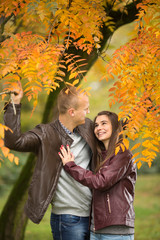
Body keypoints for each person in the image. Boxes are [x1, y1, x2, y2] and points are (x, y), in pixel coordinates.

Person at [4, 82, 97, 240]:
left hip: (94, 215)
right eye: (85, 109)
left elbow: (113, 131)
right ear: (72, 112)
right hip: (67, 219)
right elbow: (14, 142)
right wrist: (15, 104)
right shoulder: (45, 134)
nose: (89, 112)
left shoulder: (88, 127)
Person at [59, 111, 137, 240]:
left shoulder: (122, 153)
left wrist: (70, 165)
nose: (99, 128)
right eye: (96, 125)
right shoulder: (102, 156)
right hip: (96, 229)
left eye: (104, 123)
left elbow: (101, 182)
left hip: (116, 231)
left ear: (115, 127)